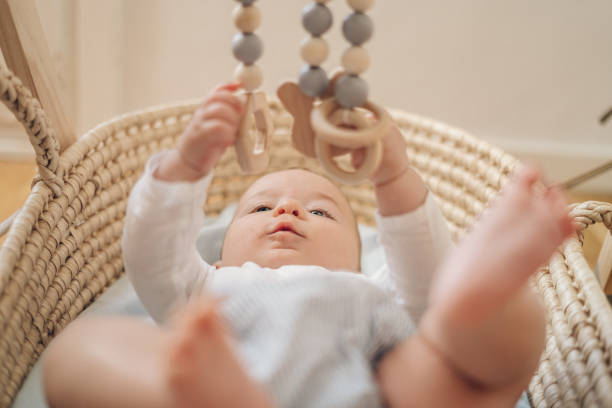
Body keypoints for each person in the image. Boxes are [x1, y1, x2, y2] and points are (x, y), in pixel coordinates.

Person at [43, 83, 574, 408]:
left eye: (321, 212)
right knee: (74, 354)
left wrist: (392, 174)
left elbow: (417, 270)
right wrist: (184, 168)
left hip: (377, 393)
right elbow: (152, 255)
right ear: (218, 254)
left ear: (362, 258)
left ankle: (470, 302)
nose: (288, 210)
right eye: (259, 208)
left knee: (480, 338)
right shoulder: (205, 288)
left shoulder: (372, 291)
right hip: (221, 382)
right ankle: (187, 397)